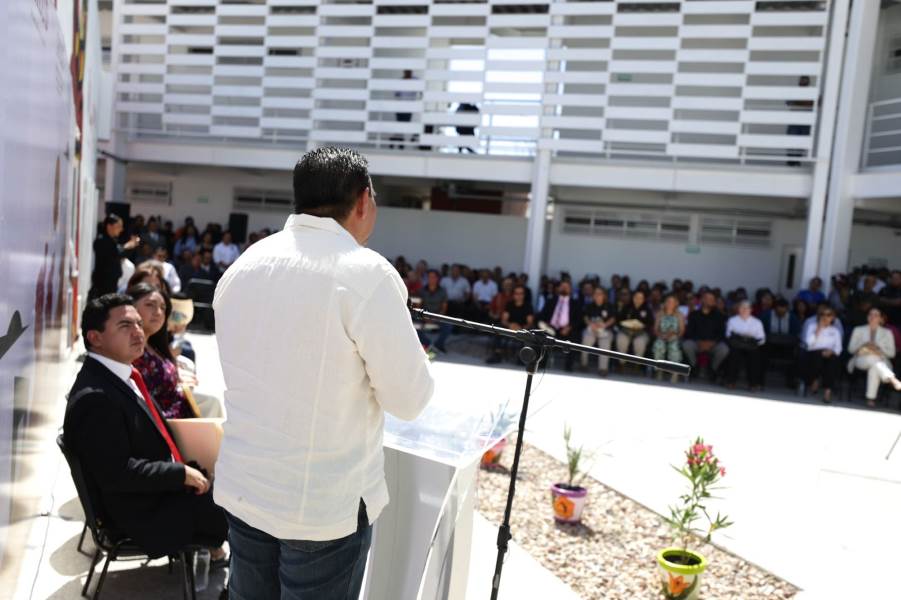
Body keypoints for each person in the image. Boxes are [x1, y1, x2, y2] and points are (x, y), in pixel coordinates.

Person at [212, 147, 435, 600]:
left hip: (245, 488)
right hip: (320, 506)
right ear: (363, 200)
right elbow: (409, 399)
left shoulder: (243, 265)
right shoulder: (366, 273)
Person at [63, 294, 227, 559]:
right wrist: (180, 474)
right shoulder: (96, 397)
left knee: (238, 486)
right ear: (95, 337)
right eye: (125, 325)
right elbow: (117, 474)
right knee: (244, 508)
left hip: (157, 495)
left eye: (139, 324)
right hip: (144, 516)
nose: (138, 332)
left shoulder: (120, 376)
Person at [128, 283, 196, 419]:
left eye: (163, 308)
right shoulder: (130, 350)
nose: (158, 312)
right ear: (131, 309)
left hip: (180, 415)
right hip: (164, 424)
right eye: (150, 305)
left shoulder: (153, 345)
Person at [847, 307, 901, 407]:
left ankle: (870, 399)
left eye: (876, 315)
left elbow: (892, 353)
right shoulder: (858, 330)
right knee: (873, 359)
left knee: (874, 367)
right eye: (870, 314)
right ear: (867, 317)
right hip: (861, 359)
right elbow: (850, 349)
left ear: (881, 318)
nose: (873, 317)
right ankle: (892, 379)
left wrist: (878, 348)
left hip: (881, 360)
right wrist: (864, 345)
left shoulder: (887, 333)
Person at [90, 214, 139, 299]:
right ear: (109, 226)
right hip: (104, 282)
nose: (121, 229)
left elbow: (119, 251)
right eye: (118, 226)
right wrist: (128, 246)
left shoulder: (112, 240)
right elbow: (115, 253)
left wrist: (130, 246)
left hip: (112, 281)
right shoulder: (102, 240)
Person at [799, 305, 842, 403]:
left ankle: (827, 392)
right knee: (817, 357)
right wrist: (818, 329)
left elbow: (838, 348)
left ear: (832, 317)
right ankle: (815, 378)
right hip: (814, 352)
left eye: (828, 315)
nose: (825, 317)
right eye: (823, 314)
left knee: (833, 362)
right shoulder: (812, 326)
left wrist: (831, 351)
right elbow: (809, 343)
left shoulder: (835, 331)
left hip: (830, 353)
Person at [682, 291, 729, 378]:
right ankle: (694, 366)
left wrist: (712, 343)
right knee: (687, 345)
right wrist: (698, 341)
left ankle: (713, 369)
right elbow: (689, 332)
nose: (709, 301)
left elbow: (722, 333)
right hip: (697, 342)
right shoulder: (694, 314)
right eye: (707, 298)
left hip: (713, 344)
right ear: (702, 300)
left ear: (714, 302)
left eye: (711, 299)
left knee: (724, 349)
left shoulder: (720, 316)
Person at [538, 280, 581, 371]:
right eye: (562, 286)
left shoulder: (575, 303)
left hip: (567, 329)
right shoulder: (551, 301)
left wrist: (569, 327)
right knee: (542, 335)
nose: (564, 289)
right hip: (550, 328)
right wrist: (546, 324)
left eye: (566, 287)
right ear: (558, 288)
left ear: (570, 289)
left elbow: (578, 319)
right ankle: (541, 363)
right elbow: (542, 315)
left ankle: (568, 366)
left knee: (575, 336)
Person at [724, 300, 766, 391]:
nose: (744, 310)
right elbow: (728, 335)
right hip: (737, 345)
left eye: (747, 308)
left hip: (751, 346)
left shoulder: (757, 322)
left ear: (751, 310)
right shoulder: (732, 320)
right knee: (733, 355)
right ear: (738, 309)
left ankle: (753, 384)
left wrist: (751, 342)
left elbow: (762, 339)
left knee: (755, 356)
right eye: (742, 308)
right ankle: (731, 381)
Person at [487, 285, 534, 364]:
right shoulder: (510, 304)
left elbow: (530, 323)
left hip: (522, 330)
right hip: (509, 328)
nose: (519, 296)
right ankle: (497, 354)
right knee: (498, 329)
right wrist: (510, 325)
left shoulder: (528, 306)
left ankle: (522, 358)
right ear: (514, 295)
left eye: (521, 293)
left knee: (529, 333)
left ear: (524, 295)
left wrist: (520, 328)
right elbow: (504, 319)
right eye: (517, 293)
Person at [581, 287, 616, 375]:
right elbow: (585, 317)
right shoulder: (589, 305)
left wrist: (604, 325)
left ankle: (603, 369)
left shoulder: (609, 306)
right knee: (586, 338)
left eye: (599, 294)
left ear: (604, 295)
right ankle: (583, 364)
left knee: (605, 343)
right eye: (595, 294)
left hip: (605, 330)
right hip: (592, 329)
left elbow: (613, 318)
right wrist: (591, 324)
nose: (597, 295)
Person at [652, 294, 685, 381]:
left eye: (672, 302)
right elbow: (655, 329)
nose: (670, 304)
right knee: (659, 346)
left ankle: (674, 372)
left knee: (674, 348)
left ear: (676, 304)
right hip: (661, 336)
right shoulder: (660, 313)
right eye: (668, 301)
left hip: (674, 337)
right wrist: (661, 335)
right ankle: (659, 370)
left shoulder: (679, 315)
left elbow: (682, 330)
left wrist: (675, 336)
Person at [418, 269, 452, 353]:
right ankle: (428, 344)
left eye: (433, 277)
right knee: (413, 324)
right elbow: (419, 306)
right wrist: (425, 318)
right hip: (423, 317)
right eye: (429, 277)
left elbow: (444, 308)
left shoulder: (443, 291)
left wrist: (435, 318)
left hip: (437, 317)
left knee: (448, 326)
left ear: (437, 279)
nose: (431, 279)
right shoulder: (422, 290)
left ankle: (438, 345)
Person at [615, 289, 653, 359]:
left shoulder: (647, 309)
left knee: (639, 342)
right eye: (636, 297)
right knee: (621, 340)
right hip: (626, 331)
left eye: (640, 298)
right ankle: (621, 362)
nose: (638, 299)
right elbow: (618, 320)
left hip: (641, 333)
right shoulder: (627, 307)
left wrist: (641, 326)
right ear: (633, 297)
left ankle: (637, 363)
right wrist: (627, 325)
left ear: (644, 299)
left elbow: (650, 323)